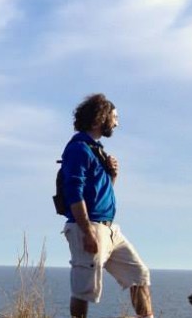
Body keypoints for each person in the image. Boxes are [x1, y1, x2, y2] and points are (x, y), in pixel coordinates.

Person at [59, 93, 152, 318]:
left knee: (139, 274)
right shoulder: (79, 149)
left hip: (109, 230)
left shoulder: (95, 150)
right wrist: (87, 231)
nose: (117, 123)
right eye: (114, 117)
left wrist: (112, 176)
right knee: (84, 289)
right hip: (89, 227)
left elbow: (99, 193)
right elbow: (74, 191)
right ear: (99, 118)